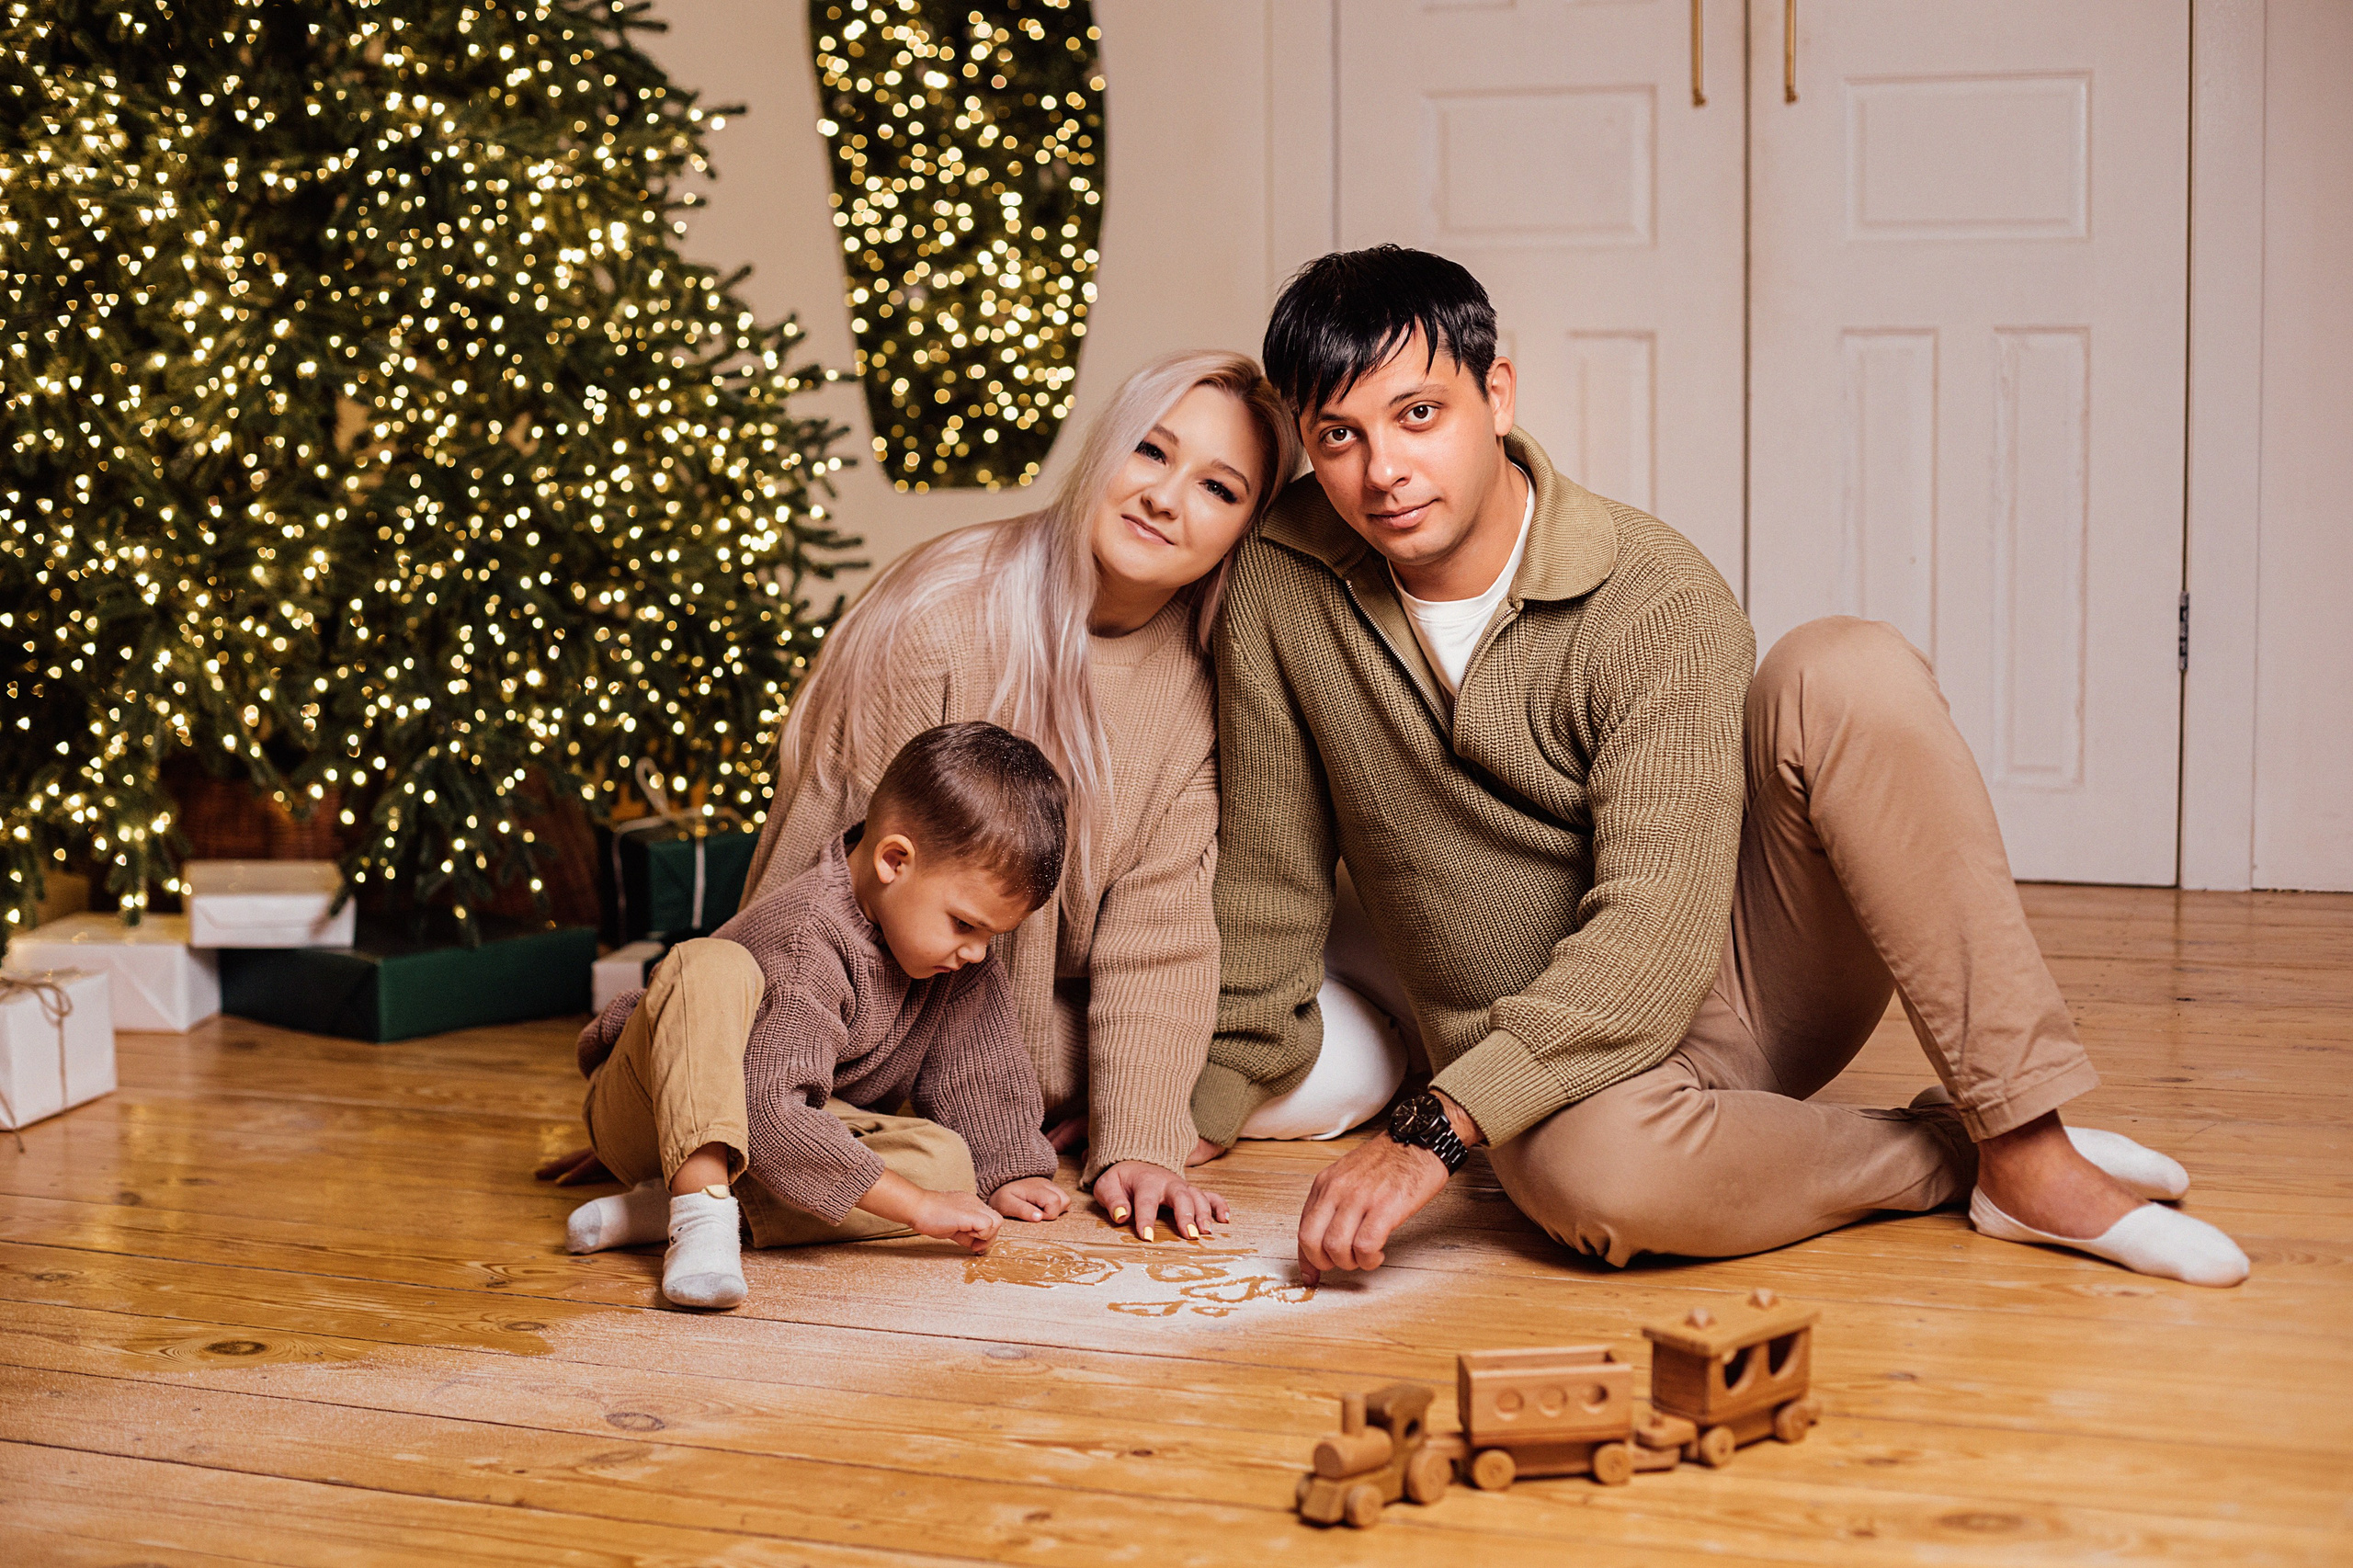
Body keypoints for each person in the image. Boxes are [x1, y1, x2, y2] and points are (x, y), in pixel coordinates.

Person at [1198, 245, 2249, 1290]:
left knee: (1846, 667)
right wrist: (1190, 1104)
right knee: (1595, 1182)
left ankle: (2025, 1137)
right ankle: (1957, 1159)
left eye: (1418, 414)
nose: (1382, 471)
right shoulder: (1284, 581)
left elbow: (1654, 939)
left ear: (1497, 394)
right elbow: (1269, 873)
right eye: (1339, 435)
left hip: (1733, 977)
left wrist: (1435, 1127)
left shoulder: (1655, 595)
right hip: (1541, 1057)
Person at [733, 349, 1304, 1240]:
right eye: (1150, 451)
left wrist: (1140, 1142)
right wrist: (729, 1077)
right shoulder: (940, 618)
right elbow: (817, 874)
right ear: (1104, 448)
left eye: (1218, 488)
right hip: (863, 1012)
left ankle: (1045, 1099)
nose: (1164, 496)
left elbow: (1161, 927)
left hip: (1018, 1031)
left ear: (1246, 529)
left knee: (1314, 1071)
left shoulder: (1200, 681)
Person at [563, 722, 1072, 1309]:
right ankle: (701, 1216)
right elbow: (766, 1109)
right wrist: (917, 1210)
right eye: (964, 924)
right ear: (894, 860)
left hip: (775, 1132)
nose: (977, 951)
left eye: (992, 933)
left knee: (949, 1168)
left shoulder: (954, 957)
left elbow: (980, 1067)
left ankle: (672, 1207)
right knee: (714, 963)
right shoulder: (808, 939)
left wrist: (1008, 1167)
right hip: (658, 1104)